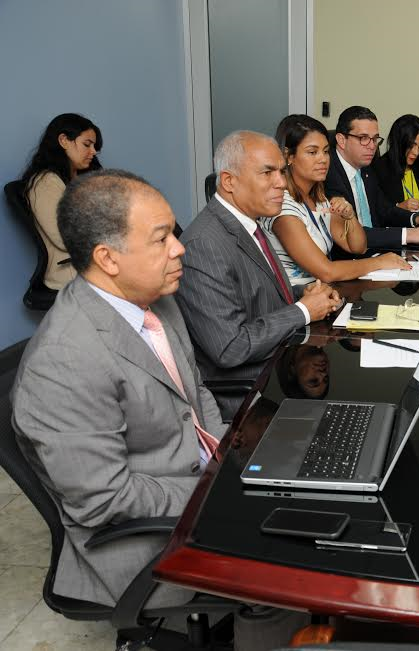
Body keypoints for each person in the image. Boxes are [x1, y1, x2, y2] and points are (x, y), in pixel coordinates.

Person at [11, 169, 221, 609]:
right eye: (161, 239)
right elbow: (106, 499)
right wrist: (216, 494)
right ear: (108, 259)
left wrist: (231, 458)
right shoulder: (63, 361)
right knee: (293, 568)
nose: (179, 247)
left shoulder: (157, 298)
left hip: (198, 481)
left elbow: (196, 390)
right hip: (146, 544)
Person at [176, 130, 343, 419]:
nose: (282, 183)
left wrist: (305, 295)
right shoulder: (205, 245)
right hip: (248, 398)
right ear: (229, 181)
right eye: (267, 173)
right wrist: (304, 310)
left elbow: (258, 294)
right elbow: (230, 348)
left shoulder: (249, 223)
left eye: (281, 172)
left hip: (276, 367)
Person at [260, 114, 409, 284]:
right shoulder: (283, 207)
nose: (323, 159)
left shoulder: (319, 199)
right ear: (289, 157)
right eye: (312, 152)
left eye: (325, 151)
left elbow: (357, 247)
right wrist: (379, 262)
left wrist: (350, 216)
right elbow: (326, 272)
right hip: (295, 297)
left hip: (322, 292)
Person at [324, 106, 419, 250]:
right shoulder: (327, 174)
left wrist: (418, 218)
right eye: (364, 138)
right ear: (341, 140)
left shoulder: (365, 168)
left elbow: (384, 210)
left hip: (377, 249)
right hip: (350, 257)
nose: (372, 146)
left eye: (375, 139)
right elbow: (352, 234)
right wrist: (411, 234)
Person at [19, 113, 102, 290]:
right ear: (64, 141)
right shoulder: (46, 183)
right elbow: (65, 238)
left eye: (94, 146)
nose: (93, 151)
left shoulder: (81, 180)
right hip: (71, 273)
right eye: (87, 144)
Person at [372, 114, 419, 211]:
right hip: (395, 221)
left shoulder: (418, 168)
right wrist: (398, 207)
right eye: (411, 145)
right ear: (399, 143)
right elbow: (376, 211)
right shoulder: (379, 169)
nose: (416, 152)